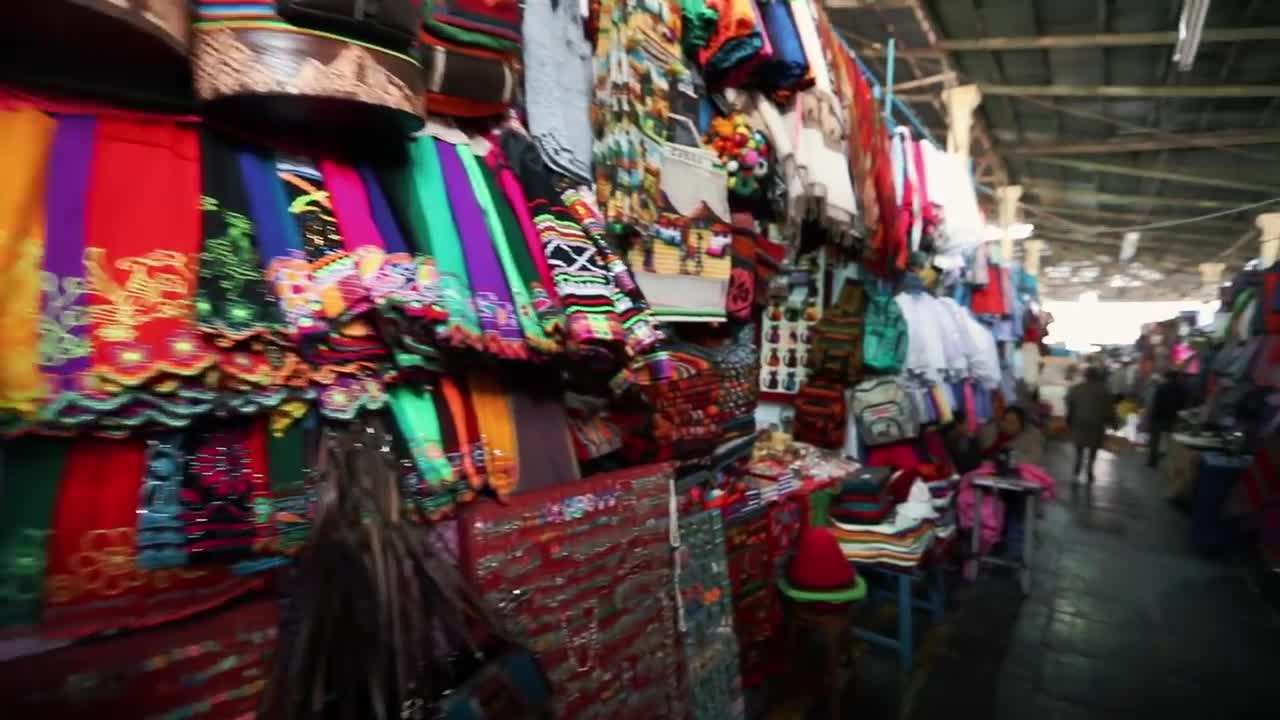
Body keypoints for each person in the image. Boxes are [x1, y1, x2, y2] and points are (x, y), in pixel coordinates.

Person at [1066, 366, 1115, 483]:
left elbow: (1069, 403)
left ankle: (1078, 464)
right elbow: (1109, 407)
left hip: (1079, 422)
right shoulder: (1104, 390)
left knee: (1080, 445)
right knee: (1094, 447)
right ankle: (1090, 469)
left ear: (1085, 376)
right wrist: (1112, 421)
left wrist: (1069, 418)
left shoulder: (1076, 388)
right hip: (1097, 423)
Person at [1147, 370, 1187, 468]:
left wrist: (1152, 415)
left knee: (1155, 440)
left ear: (1167, 377)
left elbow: (1156, 403)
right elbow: (1183, 404)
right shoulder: (1181, 389)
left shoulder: (1161, 387)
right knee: (1171, 441)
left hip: (1159, 416)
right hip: (1173, 417)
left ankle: (1152, 462)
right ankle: (1168, 461)